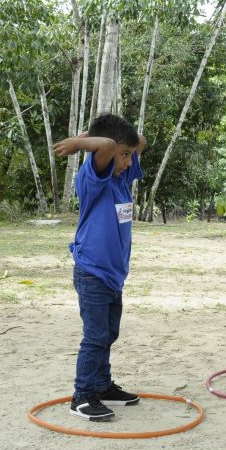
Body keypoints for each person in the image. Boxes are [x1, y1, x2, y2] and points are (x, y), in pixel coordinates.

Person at [52, 114, 147, 421]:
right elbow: (106, 144)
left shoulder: (121, 178)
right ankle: (82, 395)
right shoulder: (94, 179)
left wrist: (124, 146)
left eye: (129, 156)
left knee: (108, 333)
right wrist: (83, 142)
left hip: (113, 275)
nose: (128, 161)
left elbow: (137, 141)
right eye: (123, 156)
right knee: (95, 336)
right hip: (92, 271)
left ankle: (102, 386)